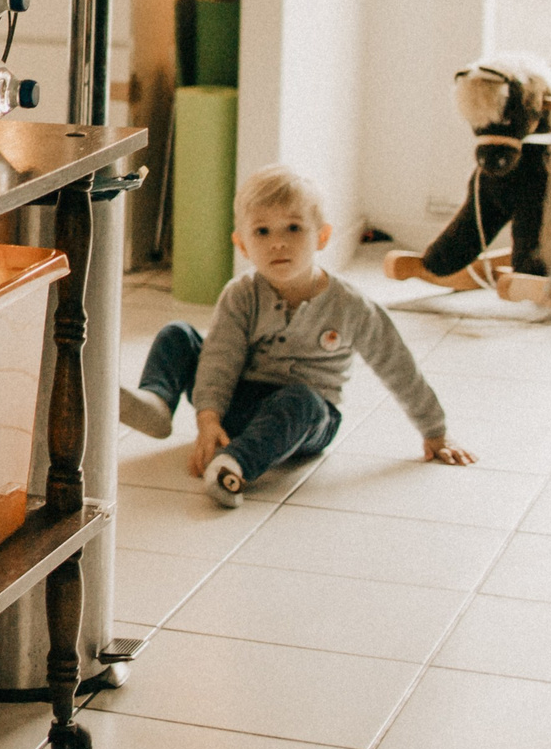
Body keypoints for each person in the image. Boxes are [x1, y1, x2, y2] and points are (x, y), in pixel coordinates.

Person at [119, 165, 475, 507]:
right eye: (262, 232)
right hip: (236, 401)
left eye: (293, 228)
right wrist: (209, 418)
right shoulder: (241, 293)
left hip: (306, 416)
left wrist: (434, 430)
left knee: (300, 400)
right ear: (241, 244)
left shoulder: (350, 306)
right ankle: (157, 404)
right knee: (178, 334)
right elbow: (220, 358)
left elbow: (397, 365)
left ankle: (234, 465)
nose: (278, 244)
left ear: (321, 237)